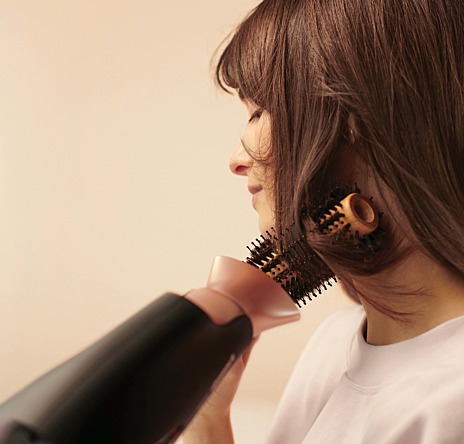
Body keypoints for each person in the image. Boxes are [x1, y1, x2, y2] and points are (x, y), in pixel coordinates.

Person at [182, 0, 464, 442]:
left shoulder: (452, 402)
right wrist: (206, 419)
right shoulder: (334, 346)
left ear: (360, 118)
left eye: (258, 110)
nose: (237, 161)